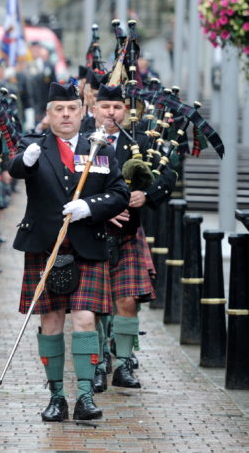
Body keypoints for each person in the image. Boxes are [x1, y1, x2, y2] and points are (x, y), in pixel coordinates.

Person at [8, 81, 129, 422]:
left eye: (71, 109)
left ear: (82, 113)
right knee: (51, 322)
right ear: (48, 115)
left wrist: (89, 207)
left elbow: (119, 192)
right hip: (46, 245)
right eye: (58, 109)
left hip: (87, 244)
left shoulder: (100, 148)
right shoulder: (34, 146)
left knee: (86, 318)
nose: (65, 115)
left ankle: (86, 396)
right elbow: (14, 168)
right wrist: (25, 160)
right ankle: (57, 395)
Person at [90, 84, 175, 392]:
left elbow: (168, 176)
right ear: (94, 109)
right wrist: (101, 208)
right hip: (93, 232)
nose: (112, 112)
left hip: (126, 233)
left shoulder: (140, 142)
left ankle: (124, 364)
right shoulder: (84, 143)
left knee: (126, 301)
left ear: (125, 111)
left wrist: (146, 194)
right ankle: (96, 363)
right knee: (96, 304)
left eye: (117, 107)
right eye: (106, 106)